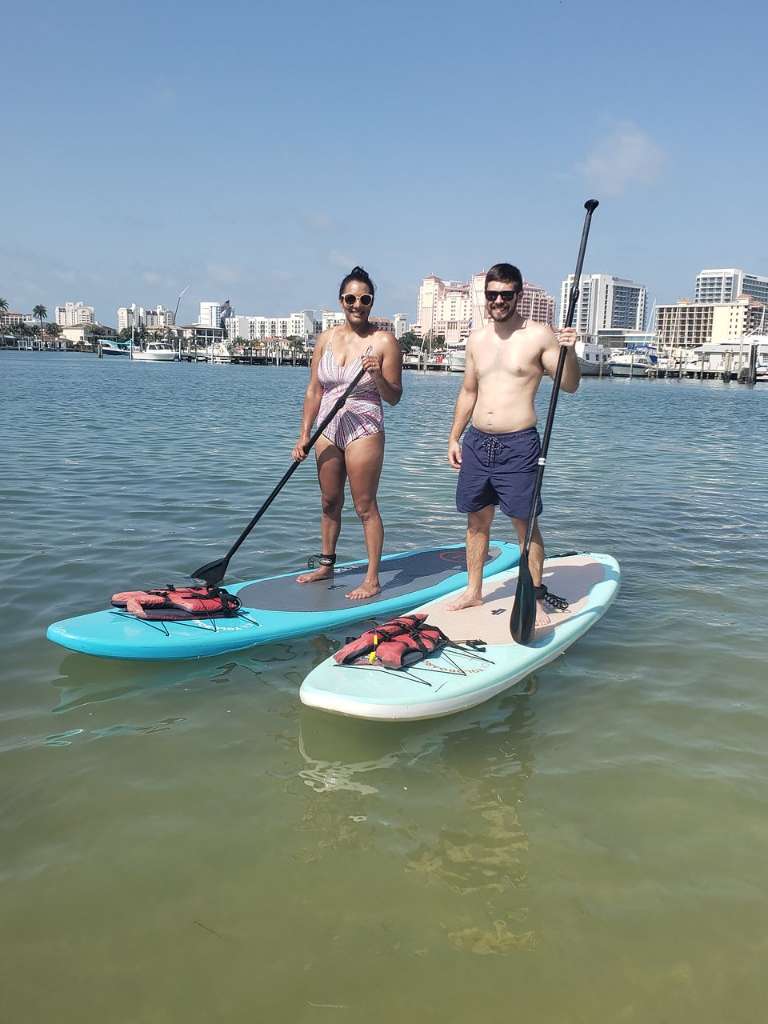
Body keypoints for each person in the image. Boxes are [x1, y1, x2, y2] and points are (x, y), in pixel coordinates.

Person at [446, 263, 579, 623]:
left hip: (518, 445)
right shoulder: (477, 339)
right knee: (476, 521)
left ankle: (533, 595)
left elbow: (569, 384)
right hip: (476, 442)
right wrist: (454, 437)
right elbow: (468, 391)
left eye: (506, 294)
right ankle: (474, 591)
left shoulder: (539, 335)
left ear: (518, 295)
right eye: (493, 295)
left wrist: (570, 351)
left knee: (524, 522)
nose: (499, 300)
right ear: (485, 296)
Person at [292, 266, 403, 600]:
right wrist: (304, 434)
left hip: (364, 425)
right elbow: (314, 390)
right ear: (341, 301)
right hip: (327, 425)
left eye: (364, 298)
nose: (358, 304)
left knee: (364, 505)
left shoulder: (384, 341)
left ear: (372, 302)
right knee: (329, 501)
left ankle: (372, 578)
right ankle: (326, 564)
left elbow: (395, 396)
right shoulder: (326, 338)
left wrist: (377, 375)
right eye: (351, 298)